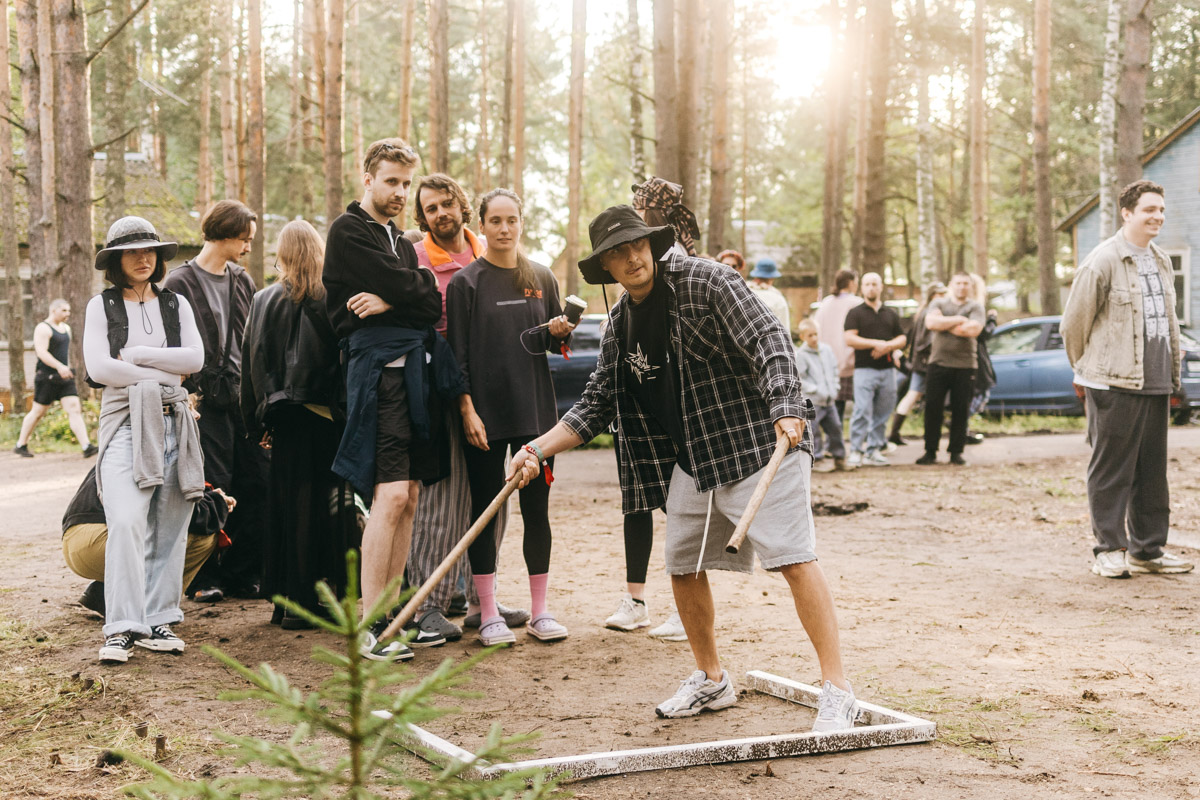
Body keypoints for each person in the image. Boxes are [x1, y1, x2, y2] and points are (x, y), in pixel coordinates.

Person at [510, 205, 858, 730]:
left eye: (636, 245)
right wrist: (536, 449)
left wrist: (786, 403)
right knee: (682, 566)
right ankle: (712, 679)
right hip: (693, 457)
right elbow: (596, 403)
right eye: (617, 253)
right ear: (605, 266)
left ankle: (838, 689)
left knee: (793, 559)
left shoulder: (708, 281)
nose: (631, 258)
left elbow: (769, 340)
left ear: (650, 244)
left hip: (760, 441)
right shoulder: (618, 326)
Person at [322, 138, 454, 662]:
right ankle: (368, 627)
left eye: (406, 183)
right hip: (377, 377)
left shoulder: (399, 240)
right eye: (391, 182)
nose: (400, 192)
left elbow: (430, 301)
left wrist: (392, 298)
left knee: (411, 496)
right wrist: (407, 290)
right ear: (368, 179)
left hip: (413, 376)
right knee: (391, 495)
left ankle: (392, 621)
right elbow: (415, 290)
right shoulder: (349, 230)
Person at [446, 188, 575, 647]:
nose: (504, 229)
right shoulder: (466, 283)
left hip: (535, 414)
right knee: (485, 510)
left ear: (522, 223)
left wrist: (560, 332)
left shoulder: (541, 276)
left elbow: (556, 345)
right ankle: (488, 615)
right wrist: (467, 410)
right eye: (495, 220)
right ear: (480, 225)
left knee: (537, 512)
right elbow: (457, 355)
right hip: (484, 417)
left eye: (512, 220)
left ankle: (540, 613)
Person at [405, 173, 523, 648]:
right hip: (440, 391)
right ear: (422, 217)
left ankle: (481, 601)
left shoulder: (487, 254)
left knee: (492, 499)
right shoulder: (415, 258)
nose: (440, 214)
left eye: (446, 204)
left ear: (461, 205)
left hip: (492, 393)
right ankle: (427, 607)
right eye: (430, 209)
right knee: (441, 503)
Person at [83, 216, 205, 663]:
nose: (143, 258)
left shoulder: (176, 304)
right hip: (126, 423)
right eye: (132, 251)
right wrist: (165, 373)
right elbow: (99, 369)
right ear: (115, 260)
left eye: (149, 250)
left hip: (176, 422)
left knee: (171, 525)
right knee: (127, 519)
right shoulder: (102, 307)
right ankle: (121, 626)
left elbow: (195, 359)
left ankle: (158, 619)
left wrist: (136, 356)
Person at [1062, 179, 1194, 578]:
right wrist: (1088, 372)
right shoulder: (1102, 261)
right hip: (1113, 384)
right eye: (1149, 210)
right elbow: (1073, 326)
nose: (1158, 217)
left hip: (1156, 380)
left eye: (1161, 210)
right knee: (1112, 471)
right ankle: (1108, 549)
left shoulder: (1161, 260)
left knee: (1152, 472)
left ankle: (1147, 550)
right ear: (1127, 213)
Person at [241, 220, 360, 629]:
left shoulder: (262, 300)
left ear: (283, 254)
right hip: (325, 418)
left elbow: (250, 362)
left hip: (283, 420)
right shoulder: (333, 298)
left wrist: (256, 422)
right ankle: (317, 599)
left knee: (288, 507)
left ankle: (286, 602)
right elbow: (347, 361)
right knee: (327, 510)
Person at [604, 178, 700, 641]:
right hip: (636, 403)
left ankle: (687, 607)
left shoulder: (678, 264)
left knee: (683, 508)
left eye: (640, 208)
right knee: (637, 501)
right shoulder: (624, 292)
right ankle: (636, 600)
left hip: (677, 405)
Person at [165, 199, 267, 603]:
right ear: (225, 234)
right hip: (201, 402)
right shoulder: (178, 283)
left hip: (244, 400)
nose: (249, 247)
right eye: (245, 239)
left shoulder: (243, 280)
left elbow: (254, 340)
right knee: (209, 484)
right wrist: (184, 392)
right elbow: (169, 343)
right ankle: (203, 577)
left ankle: (243, 572)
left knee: (258, 480)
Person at [63, 466, 230, 618]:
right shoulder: (163, 455)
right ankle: (151, 606)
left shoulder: (120, 448)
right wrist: (218, 502)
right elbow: (188, 516)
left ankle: (109, 594)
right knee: (205, 537)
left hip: (73, 540)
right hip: (104, 543)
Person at [13, 299, 97, 458]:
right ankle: (21, 444)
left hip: (64, 377)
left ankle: (87, 446)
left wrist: (65, 368)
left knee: (74, 408)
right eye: (64, 310)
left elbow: (63, 353)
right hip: (46, 378)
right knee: (38, 412)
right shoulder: (43, 328)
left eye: (69, 311)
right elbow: (41, 352)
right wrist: (59, 366)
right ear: (53, 310)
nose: (67, 314)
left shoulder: (66, 328)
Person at [917, 272, 985, 466]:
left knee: (960, 410)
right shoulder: (938, 303)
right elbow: (931, 323)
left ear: (970, 286)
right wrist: (959, 319)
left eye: (965, 283)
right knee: (933, 408)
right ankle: (930, 451)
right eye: (958, 283)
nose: (962, 287)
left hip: (965, 366)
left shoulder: (976, 307)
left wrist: (944, 323)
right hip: (938, 363)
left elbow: (973, 330)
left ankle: (956, 452)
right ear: (951, 285)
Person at [843, 273, 906, 467]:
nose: (871, 287)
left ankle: (874, 450)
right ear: (862, 288)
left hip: (888, 371)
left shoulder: (890, 313)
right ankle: (856, 450)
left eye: (874, 284)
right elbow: (849, 338)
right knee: (862, 410)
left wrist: (887, 346)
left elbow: (902, 338)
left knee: (883, 412)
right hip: (864, 370)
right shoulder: (855, 313)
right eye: (867, 284)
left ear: (881, 287)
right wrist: (875, 344)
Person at [888, 282, 946, 446]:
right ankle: (895, 433)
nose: (943, 298)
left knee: (914, 396)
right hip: (925, 363)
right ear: (933, 296)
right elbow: (925, 341)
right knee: (916, 396)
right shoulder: (929, 314)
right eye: (940, 295)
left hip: (920, 362)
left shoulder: (922, 312)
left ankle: (895, 432)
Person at [795, 318, 847, 471]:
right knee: (814, 431)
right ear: (803, 337)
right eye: (810, 335)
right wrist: (815, 389)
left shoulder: (827, 350)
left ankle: (839, 458)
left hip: (829, 400)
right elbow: (800, 378)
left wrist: (835, 386)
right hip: (814, 401)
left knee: (836, 428)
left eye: (816, 334)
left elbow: (834, 369)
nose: (814, 338)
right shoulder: (801, 355)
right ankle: (817, 459)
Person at [813, 269, 862, 422]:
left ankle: (835, 435)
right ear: (851, 283)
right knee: (860, 404)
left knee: (835, 407)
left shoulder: (825, 303)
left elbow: (816, 330)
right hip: (851, 361)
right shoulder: (857, 303)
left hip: (828, 361)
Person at [965, 274, 997, 446]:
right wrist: (992, 319)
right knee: (980, 393)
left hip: (971, 355)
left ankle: (962, 428)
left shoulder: (966, 307)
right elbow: (984, 334)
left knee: (973, 394)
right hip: (974, 356)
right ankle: (960, 424)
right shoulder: (976, 308)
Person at [748, 258, 791, 333]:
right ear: (772, 278)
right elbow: (784, 330)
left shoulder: (744, 293)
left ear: (755, 276)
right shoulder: (778, 299)